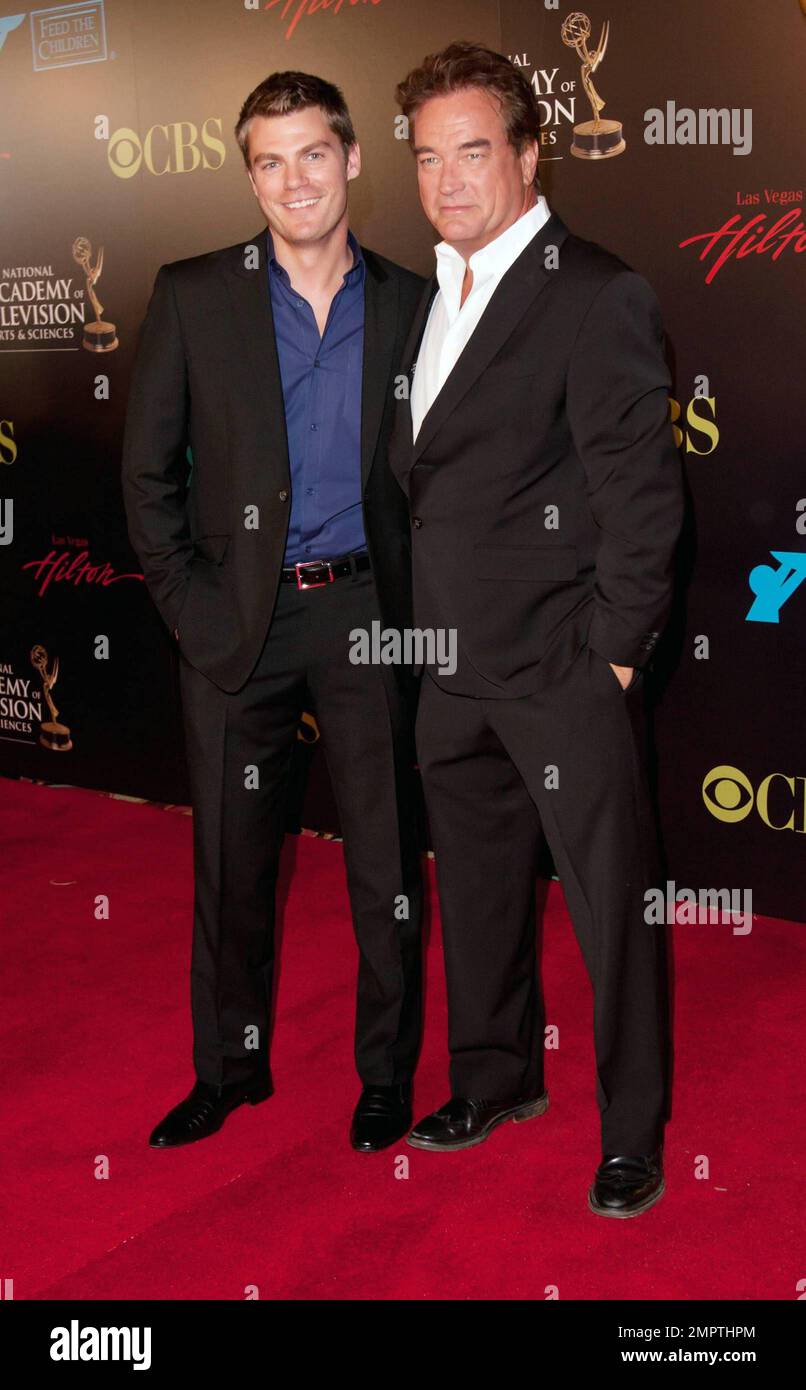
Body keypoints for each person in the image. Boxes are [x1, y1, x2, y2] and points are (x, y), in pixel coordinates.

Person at [390, 42, 685, 1217]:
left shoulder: (592, 290)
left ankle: (630, 1132)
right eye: (426, 158)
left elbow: (641, 497)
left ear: (524, 151)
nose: (449, 180)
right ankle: (498, 1077)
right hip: (446, 667)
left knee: (610, 907)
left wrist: (608, 657)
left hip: (561, 666)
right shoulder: (432, 293)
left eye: (472, 151)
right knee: (472, 887)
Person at [122, 70, 425, 1154]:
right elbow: (146, 475)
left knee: (385, 861)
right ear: (247, 173)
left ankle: (383, 1075)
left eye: (311, 153)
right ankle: (229, 1069)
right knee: (231, 860)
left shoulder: (410, 299)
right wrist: (195, 612)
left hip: (366, 613)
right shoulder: (195, 292)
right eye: (268, 159)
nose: (292, 178)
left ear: (350, 160)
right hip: (235, 622)